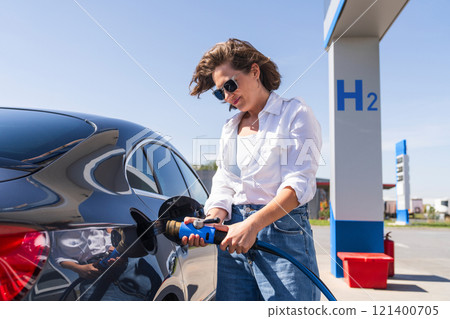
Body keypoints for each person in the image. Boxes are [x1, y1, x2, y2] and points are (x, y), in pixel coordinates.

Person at [183, 38, 322, 301]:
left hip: (282, 233)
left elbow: (298, 183)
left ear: (255, 72)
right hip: (233, 235)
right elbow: (225, 181)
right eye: (219, 92)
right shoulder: (230, 127)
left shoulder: (294, 113)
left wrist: (253, 225)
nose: (227, 96)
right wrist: (213, 217)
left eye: (230, 85)